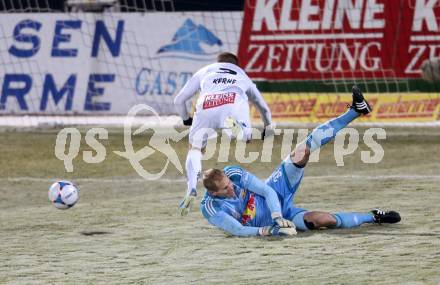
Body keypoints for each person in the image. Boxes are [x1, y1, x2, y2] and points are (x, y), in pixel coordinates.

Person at [200, 86, 401, 237]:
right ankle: (374, 216)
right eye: (225, 190)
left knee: (302, 150)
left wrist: (277, 215)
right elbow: (239, 230)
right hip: (277, 219)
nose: (231, 189)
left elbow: (266, 191)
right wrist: (272, 229)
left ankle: (356, 110)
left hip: (275, 192)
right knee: (324, 220)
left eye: (229, 184)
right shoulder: (210, 208)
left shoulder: (232, 173)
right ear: (213, 193)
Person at [174, 52, 274, 216]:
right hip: (232, 103)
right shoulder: (243, 75)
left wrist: (186, 119)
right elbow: (263, 107)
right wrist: (268, 127)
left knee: (195, 149)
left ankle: (191, 187)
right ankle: (238, 130)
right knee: (245, 136)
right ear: (237, 65)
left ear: (218, 62)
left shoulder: (205, 71)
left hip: (207, 104)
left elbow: (178, 100)